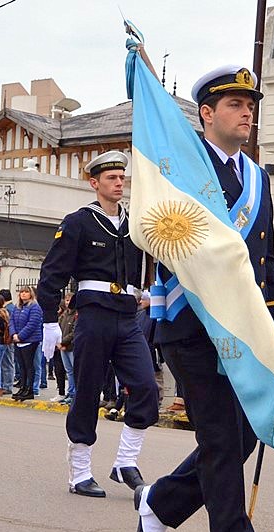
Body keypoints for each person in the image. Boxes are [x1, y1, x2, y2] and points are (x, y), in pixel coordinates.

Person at [132, 66, 274, 532]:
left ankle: (160, 504)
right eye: (235, 104)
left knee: (241, 441)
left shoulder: (259, 178)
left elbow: (264, 259)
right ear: (206, 114)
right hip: (191, 325)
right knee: (221, 440)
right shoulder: (180, 169)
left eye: (250, 103)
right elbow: (159, 234)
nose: (247, 112)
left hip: (243, 330)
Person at [36, 150, 160, 497]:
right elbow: (52, 274)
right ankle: (79, 472)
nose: (119, 183)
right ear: (95, 183)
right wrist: (49, 322)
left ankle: (125, 462)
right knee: (88, 392)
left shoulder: (135, 223)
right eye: (111, 178)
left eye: (122, 177)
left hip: (127, 317)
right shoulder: (79, 222)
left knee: (147, 388)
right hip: (93, 316)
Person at [10, 286, 43, 402]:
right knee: (21, 366)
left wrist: (20, 336)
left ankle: (29, 390)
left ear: (31, 294)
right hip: (18, 340)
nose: (23, 294)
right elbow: (12, 321)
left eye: (26, 292)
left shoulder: (34, 307)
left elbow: (32, 324)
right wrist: (14, 334)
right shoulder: (17, 307)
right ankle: (22, 387)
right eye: (21, 292)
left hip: (30, 341)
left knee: (29, 366)